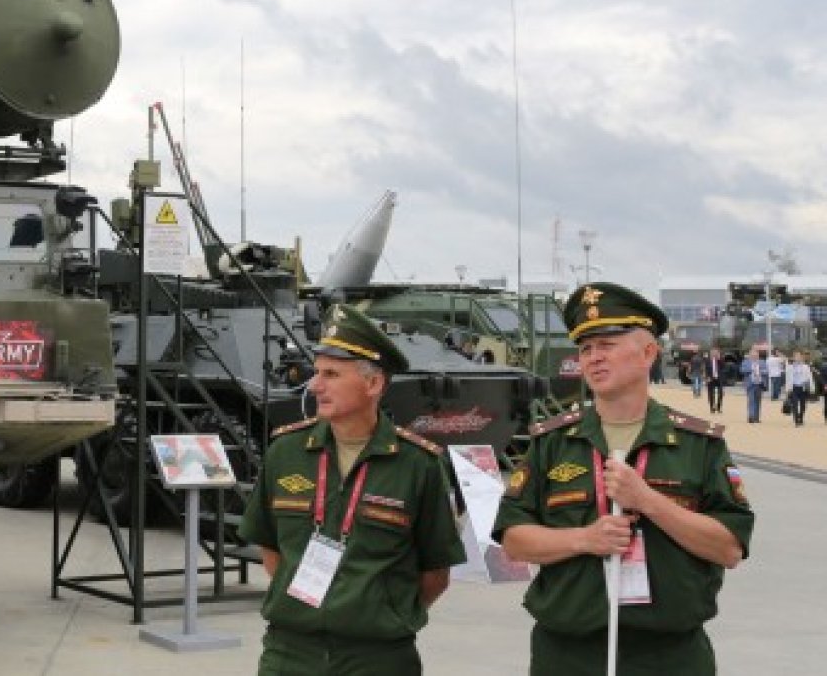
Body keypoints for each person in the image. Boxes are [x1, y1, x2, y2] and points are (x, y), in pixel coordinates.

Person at [493, 283, 752, 676]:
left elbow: (729, 548)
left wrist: (649, 501)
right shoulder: (552, 442)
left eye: (607, 345)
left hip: (669, 657)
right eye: (585, 349)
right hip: (569, 655)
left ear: (648, 353)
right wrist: (584, 539)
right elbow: (514, 540)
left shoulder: (698, 445)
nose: (594, 357)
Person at [241, 304, 465, 675]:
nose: (315, 385)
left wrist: (382, 613)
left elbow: (435, 573)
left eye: (331, 374)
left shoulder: (417, 464)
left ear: (373, 384)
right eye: (317, 372)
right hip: (290, 653)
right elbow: (271, 548)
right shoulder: (285, 452)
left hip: (378, 658)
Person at [786, 352, 812, 427]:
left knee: (803, 405)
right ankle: (796, 420)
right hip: (794, 388)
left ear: (801, 358)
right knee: (795, 404)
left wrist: (811, 387)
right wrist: (788, 389)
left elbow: (809, 377)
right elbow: (788, 378)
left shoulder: (806, 367)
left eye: (799, 357)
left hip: (803, 388)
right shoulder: (790, 367)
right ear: (794, 358)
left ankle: (801, 417)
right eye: (796, 357)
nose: (798, 358)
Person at [742, 350, 765, 423]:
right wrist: (752, 369)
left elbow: (766, 371)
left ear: (758, 356)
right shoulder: (746, 362)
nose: (754, 357)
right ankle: (751, 417)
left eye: (756, 355)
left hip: (759, 384)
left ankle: (756, 417)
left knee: (758, 401)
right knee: (751, 400)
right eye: (753, 355)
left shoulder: (762, 362)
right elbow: (742, 370)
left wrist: (760, 371)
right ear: (750, 356)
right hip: (750, 384)